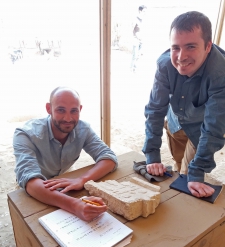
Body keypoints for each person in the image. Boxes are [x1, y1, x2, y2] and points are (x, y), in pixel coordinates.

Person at [142, 11, 225, 198]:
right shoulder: (164, 66)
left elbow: (214, 127)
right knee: (179, 167)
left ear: (208, 46)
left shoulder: (221, 74)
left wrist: (197, 172)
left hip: (201, 130)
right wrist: (152, 154)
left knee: (189, 183)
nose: (181, 56)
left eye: (190, 47)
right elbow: (155, 110)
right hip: (175, 122)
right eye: (175, 47)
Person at [13, 86, 118, 221]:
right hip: (35, 188)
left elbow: (109, 158)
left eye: (73, 111)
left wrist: (82, 180)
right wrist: (75, 205)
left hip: (64, 180)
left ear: (80, 110)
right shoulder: (25, 134)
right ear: (48, 109)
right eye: (61, 110)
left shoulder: (83, 128)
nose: (68, 118)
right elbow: (30, 182)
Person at [130, 5, 147, 72]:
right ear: (140, 11)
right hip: (135, 40)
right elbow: (131, 29)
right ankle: (131, 68)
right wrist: (136, 37)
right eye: (144, 11)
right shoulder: (135, 19)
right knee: (135, 55)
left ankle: (135, 68)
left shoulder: (143, 20)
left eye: (146, 11)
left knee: (139, 55)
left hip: (141, 40)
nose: (145, 13)